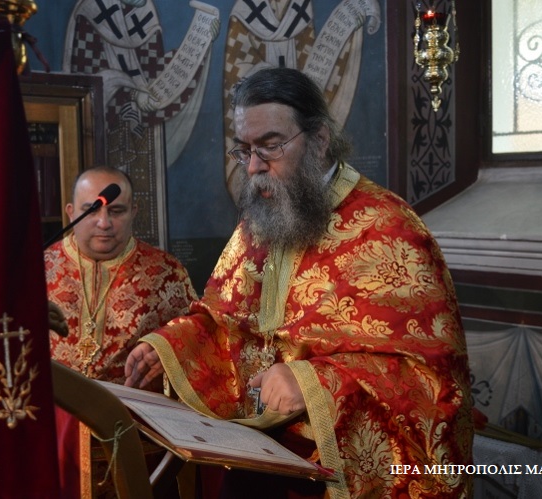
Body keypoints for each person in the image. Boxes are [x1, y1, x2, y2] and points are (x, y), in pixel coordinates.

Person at [125, 67, 473, 498]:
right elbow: (224, 319)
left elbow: (429, 379)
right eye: (244, 150)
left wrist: (313, 383)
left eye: (270, 146)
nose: (254, 166)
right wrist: (170, 344)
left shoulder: (389, 230)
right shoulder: (260, 222)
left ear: (319, 140)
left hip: (334, 466)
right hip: (254, 449)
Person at [45, 166, 197, 497]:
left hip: (136, 450)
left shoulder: (167, 272)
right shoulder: (38, 270)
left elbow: (197, 347)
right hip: (53, 448)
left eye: (116, 211)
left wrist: (168, 352)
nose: (104, 223)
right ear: (70, 212)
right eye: (91, 210)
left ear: (134, 211)